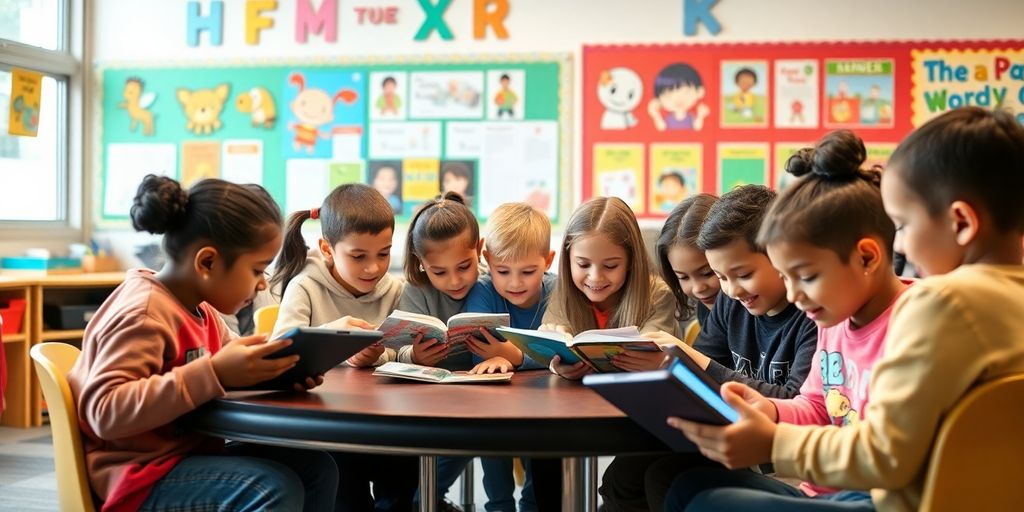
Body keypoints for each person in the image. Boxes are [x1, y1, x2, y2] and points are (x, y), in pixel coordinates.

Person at [667, 107, 1024, 511]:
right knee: (689, 488)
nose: (900, 245)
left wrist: (774, 443)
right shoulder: (997, 302)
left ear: (960, 222)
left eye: (903, 225)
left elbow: (887, 455)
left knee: (707, 502)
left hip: (894, 499)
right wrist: (769, 410)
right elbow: (823, 406)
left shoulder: (940, 304)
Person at [68, 175, 338, 511]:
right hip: (138, 479)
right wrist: (215, 373)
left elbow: (226, 369)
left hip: (184, 458)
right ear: (207, 262)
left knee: (316, 468)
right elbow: (105, 411)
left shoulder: (202, 311)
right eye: (256, 270)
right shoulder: (144, 314)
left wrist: (278, 373)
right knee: (271, 488)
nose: (260, 285)